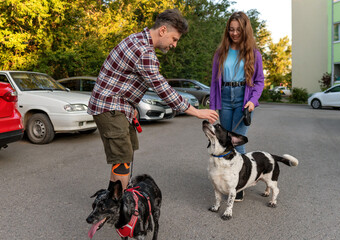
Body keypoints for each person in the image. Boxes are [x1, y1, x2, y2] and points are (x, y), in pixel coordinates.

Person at [88, 9, 219, 192]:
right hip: (110, 107)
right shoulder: (144, 51)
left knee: (124, 158)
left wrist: (131, 105)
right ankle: (119, 210)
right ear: (163, 30)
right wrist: (196, 111)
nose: (174, 45)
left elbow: (124, 81)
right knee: (123, 161)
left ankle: (112, 200)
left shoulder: (138, 40)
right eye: (174, 39)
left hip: (119, 106)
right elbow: (162, 88)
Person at [209, 11, 264, 201]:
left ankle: (239, 185)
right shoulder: (220, 53)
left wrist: (253, 101)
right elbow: (214, 81)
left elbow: (259, 81)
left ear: (245, 30)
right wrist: (215, 105)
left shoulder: (254, 54)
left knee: (237, 140)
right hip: (225, 97)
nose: (234, 33)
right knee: (224, 141)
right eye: (231, 29)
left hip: (243, 97)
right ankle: (226, 178)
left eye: (238, 30)